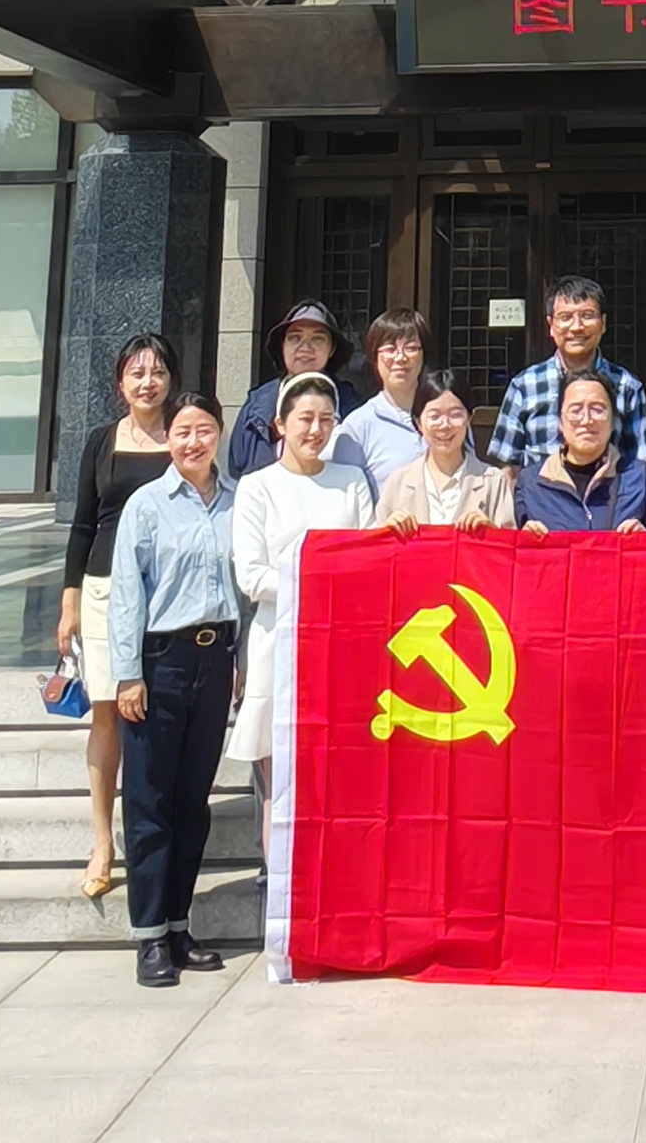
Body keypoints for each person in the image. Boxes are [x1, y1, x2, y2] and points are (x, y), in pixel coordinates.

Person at [228, 370, 373, 984]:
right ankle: (282, 906)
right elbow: (251, 574)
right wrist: (315, 575)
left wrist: (328, 579)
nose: (315, 430)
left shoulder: (351, 481)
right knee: (278, 784)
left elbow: (368, 558)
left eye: (325, 420)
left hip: (341, 644)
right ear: (279, 426)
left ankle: (336, 902)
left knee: (336, 780)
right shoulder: (257, 487)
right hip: (277, 643)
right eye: (304, 420)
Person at [99, 393, 240, 987]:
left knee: (191, 802)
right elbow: (127, 594)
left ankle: (180, 926)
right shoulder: (147, 504)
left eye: (204, 430)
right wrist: (127, 674)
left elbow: (243, 586)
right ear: (168, 439)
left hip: (216, 660)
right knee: (149, 802)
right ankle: (150, 935)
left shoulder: (237, 499)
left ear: (219, 434)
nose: (192, 442)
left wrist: (240, 660)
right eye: (182, 432)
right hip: (160, 663)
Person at [56, 331, 182, 901]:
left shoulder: (183, 436)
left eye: (157, 373)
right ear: (120, 383)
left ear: (171, 380)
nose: (147, 383)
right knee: (106, 714)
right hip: (105, 589)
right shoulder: (102, 441)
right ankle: (103, 841)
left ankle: (155, 834)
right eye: (137, 373)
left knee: (158, 716)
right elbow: (83, 524)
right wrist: (70, 601)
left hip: (167, 592)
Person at [490, 274, 646, 470]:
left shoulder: (627, 386)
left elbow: (640, 464)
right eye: (566, 317)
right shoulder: (525, 385)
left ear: (603, 323)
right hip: (540, 489)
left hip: (610, 489)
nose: (577, 327)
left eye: (587, 316)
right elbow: (507, 464)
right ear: (551, 325)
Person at [516, 370, 646, 531]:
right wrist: (525, 539)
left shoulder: (638, 478)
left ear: (613, 421)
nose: (586, 420)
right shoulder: (531, 484)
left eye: (598, 409)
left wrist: (645, 538)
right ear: (560, 422)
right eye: (575, 410)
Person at [376, 375, 514, 529]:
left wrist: (491, 532)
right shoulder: (398, 483)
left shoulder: (493, 481)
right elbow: (378, 542)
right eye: (434, 416)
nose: (445, 425)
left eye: (455, 415)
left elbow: (509, 541)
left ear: (469, 418)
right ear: (419, 422)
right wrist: (386, 529)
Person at [227, 301, 345, 478]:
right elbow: (236, 470)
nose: (305, 347)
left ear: (332, 349)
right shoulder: (256, 407)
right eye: (295, 338)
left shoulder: (352, 408)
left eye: (317, 339)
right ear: (282, 345)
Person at [332, 311, 432, 492]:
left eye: (411, 348)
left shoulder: (447, 416)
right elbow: (345, 496)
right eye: (390, 349)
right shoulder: (358, 426)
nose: (400, 358)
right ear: (374, 358)